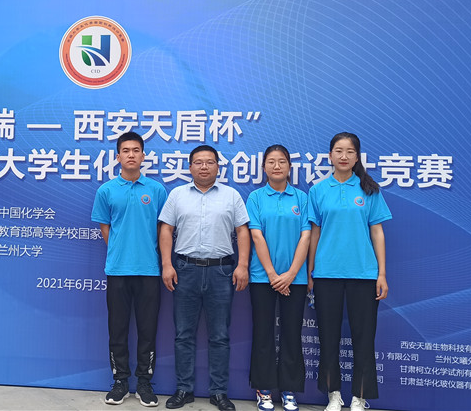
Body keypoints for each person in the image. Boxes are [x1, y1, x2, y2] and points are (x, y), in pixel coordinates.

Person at [158, 145, 250, 411]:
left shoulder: (231, 195)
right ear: (190, 167)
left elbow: (242, 232)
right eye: (198, 162)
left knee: (219, 335)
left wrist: (242, 265)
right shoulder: (177, 195)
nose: (204, 167)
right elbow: (166, 230)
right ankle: (183, 389)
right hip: (185, 270)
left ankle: (218, 392)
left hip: (221, 271)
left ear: (218, 167)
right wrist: (167, 264)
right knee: (183, 334)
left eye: (210, 162)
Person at [307, 132, 391, 411]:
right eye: (338, 151)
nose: (344, 156)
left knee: (363, 338)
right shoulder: (318, 190)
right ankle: (333, 395)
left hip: (364, 274)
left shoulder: (369, 189)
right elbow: (314, 233)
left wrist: (381, 274)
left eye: (350, 151)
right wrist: (310, 271)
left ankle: (359, 397)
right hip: (327, 274)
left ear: (357, 157)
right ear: (330, 155)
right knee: (328, 337)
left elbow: (377, 232)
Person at [92, 131, 168, 407]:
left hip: (149, 270)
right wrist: (120, 250)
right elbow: (105, 227)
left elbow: (163, 229)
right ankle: (120, 381)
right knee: (118, 329)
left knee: (148, 330)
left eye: (136, 150)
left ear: (143, 156)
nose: (131, 155)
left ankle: (145, 383)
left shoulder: (157, 190)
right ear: (118, 156)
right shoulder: (106, 190)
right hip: (117, 270)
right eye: (126, 151)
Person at [246, 145, 311, 411]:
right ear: (263, 167)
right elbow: (256, 235)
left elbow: (306, 235)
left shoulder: (302, 198)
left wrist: (292, 273)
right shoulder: (255, 197)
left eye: (282, 161)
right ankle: (263, 389)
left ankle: (288, 389)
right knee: (263, 332)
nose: (276, 166)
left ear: (289, 167)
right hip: (263, 277)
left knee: (292, 333)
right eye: (271, 162)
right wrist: (273, 275)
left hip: (295, 278)